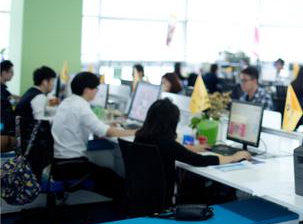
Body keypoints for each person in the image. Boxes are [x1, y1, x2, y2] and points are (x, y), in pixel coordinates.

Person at [135, 99, 250, 208]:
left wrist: (192, 148)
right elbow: (198, 160)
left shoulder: (140, 137)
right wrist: (233, 157)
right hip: (161, 201)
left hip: (140, 198)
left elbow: (171, 149)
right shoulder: (167, 143)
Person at [51, 72, 137, 202]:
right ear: (87, 90)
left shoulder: (67, 102)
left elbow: (90, 124)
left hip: (59, 162)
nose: (97, 91)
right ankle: (126, 207)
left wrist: (109, 124)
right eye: (95, 88)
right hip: (71, 166)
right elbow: (108, 132)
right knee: (115, 180)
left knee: (107, 173)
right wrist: (136, 132)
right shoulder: (81, 106)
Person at [1, 60, 16, 152]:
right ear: (3, 72)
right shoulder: (2, 91)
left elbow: (11, 99)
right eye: (11, 72)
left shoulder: (5, 91)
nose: (13, 74)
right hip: (4, 132)